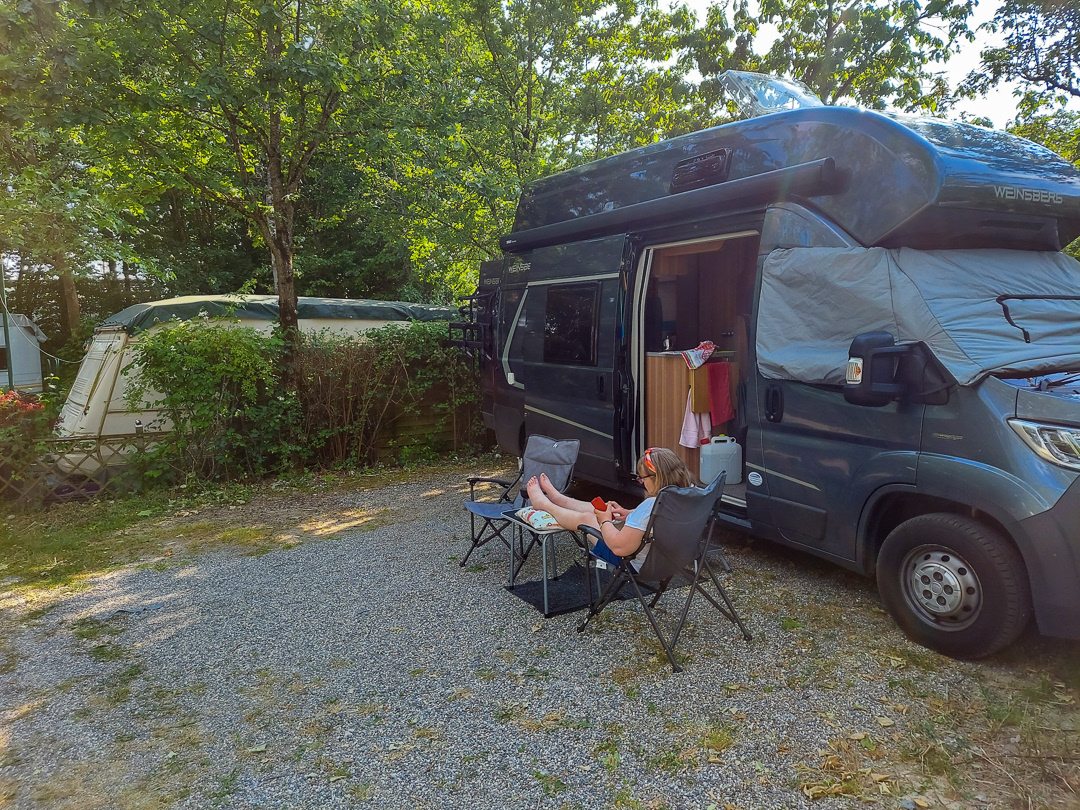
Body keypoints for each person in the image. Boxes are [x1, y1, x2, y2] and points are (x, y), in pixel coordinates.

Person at [524, 447, 695, 570]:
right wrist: (629, 514)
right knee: (605, 508)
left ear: (656, 478)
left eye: (642, 478)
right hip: (669, 561)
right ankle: (559, 498)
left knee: (588, 519)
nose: (641, 482)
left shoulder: (650, 505)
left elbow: (619, 548)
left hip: (631, 562)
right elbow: (655, 520)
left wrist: (604, 520)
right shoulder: (689, 494)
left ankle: (544, 504)